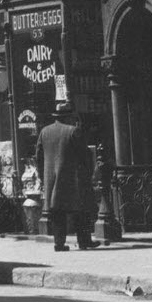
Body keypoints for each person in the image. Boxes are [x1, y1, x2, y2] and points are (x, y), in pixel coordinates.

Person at [37, 100, 100, 251]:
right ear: (69, 117)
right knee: (82, 210)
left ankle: (59, 243)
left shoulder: (44, 132)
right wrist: (89, 174)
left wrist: (42, 175)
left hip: (52, 180)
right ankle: (84, 241)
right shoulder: (73, 131)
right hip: (73, 180)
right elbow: (85, 156)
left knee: (58, 212)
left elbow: (38, 156)